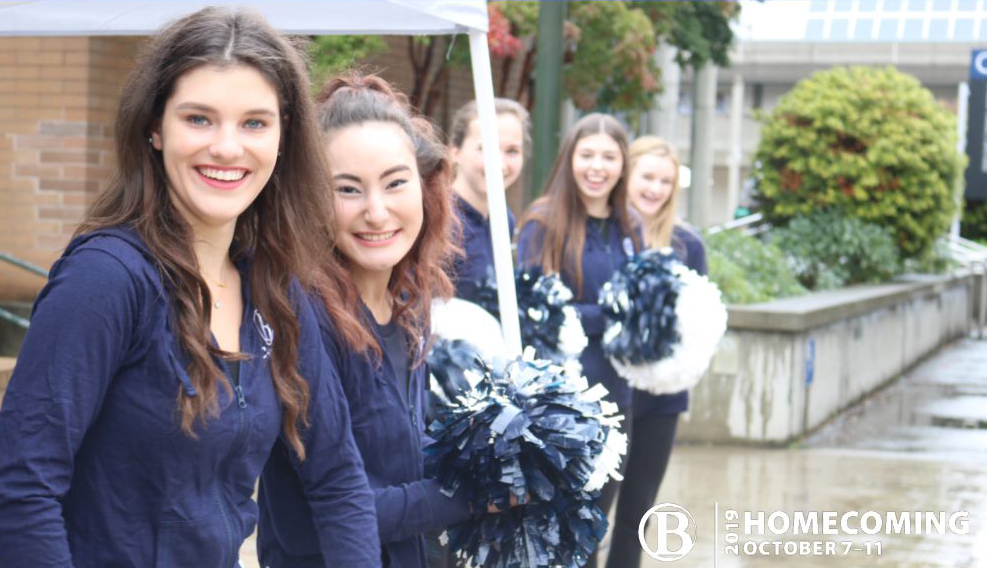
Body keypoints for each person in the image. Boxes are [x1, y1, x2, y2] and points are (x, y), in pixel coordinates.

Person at [0, 8, 381, 568]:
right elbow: (22, 488)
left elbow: (339, 478)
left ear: (284, 137)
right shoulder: (105, 279)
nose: (227, 148)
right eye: (199, 119)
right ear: (155, 128)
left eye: (255, 123)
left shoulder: (274, 289)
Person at [258, 74, 476, 568]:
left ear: (426, 187)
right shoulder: (301, 317)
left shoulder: (406, 305)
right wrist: (475, 494)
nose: (376, 212)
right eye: (348, 190)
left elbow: (405, 459)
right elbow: (323, 511)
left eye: (395, 183)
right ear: (310, 197)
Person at [515, 113, 641, 568]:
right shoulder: (543, 222)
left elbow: (639, 308)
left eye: (609, 156)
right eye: (587, 154)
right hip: (560, 404)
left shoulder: (631, 227)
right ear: (570, 159)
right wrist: (607, 315)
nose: (597, 166)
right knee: (562, 533)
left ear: (623, 164)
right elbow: (534, 311)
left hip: (616, 397)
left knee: (593, 527)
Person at [605, 136, 707, 568]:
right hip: (607, 391)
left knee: (638, 512)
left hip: (661, 399)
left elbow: (698, 322)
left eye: (665, 181)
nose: (655, 188)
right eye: (647, 177)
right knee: (590, 511)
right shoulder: (605, 236)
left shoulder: (687, 244)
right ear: (627, 177)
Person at [447, 98, 529, 302]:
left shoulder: (504, 219)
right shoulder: (438, 219)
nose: (499, 164)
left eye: (512, 151)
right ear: (455, 152)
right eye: (485, 148)